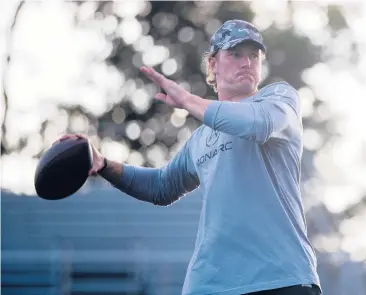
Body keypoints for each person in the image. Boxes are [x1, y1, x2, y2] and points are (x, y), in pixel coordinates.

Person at [57, 20, 322, 295]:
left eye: (254, 55)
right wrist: (104, 164)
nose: (247, 62)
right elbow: (161, 186)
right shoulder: (200, 139)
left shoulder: (278, 100)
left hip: (281, 279)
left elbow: (257, 125)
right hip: (212, 285)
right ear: (213, 65)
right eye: (235, 54)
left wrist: (186, 100)